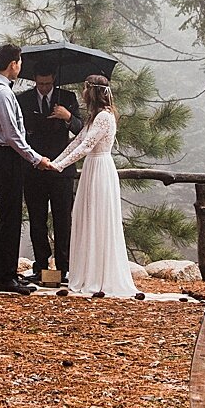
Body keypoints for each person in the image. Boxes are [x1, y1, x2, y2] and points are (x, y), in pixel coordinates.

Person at [49, 75, 138, 297]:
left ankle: (99, 275)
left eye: (85, 88)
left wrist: (59, 166)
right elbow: (77, 142)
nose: (82, 92)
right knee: (87, 216)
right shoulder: (94, 117)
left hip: (100, 167)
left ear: (92, 91)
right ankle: (88, 271)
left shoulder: (104, 118)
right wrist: (55, 161)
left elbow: (87, 147)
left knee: (98, 218)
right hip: (92, 168)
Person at [0, 44, 52, 293]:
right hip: (7, 156)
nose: (20, 66)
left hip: (7, 156)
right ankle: (4, 277)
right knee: (9, 217)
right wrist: (36, 158)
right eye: (19, 62)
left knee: (8, 215)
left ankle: (6, 271)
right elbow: (12, 135)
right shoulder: (1, 93)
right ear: (13, 64)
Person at [19, 68, 83, 282]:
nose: (44, 88)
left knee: (63, 219)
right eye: (40, 84)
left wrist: (67, 117)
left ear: (53, 80)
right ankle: (41, 266)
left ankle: (64, 267)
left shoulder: (67, 98)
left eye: (47, 84)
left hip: (61, 169)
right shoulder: (23, 100)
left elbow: (82, 129)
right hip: (34, 169)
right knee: (37, 220)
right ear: (35, 80)